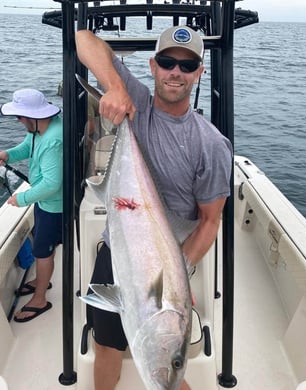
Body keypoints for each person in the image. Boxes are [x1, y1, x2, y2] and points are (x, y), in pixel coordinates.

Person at [75, 25, 233, 389]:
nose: (176, 72)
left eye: (187, 65)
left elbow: (210, 221)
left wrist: (180, 272)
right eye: (167, 62)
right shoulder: (137, 100)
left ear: (199, 73)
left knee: (170, 364)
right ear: (153, 65)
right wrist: (114, 89)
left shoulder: (210, 144)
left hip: (166, 265)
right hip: (117, 251)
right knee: (107, 346)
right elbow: (83, 39)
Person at [0, 88, 63, 323]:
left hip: (54, 205)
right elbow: (25, 148)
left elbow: (52, 184)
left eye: (20, 116)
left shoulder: (53, 139)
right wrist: (7, 155)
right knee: (40, 245)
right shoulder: (39, 128)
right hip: (44, 202)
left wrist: (21, 199)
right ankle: (41, 280)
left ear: (33, 115)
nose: (18, 121)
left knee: (43, 252)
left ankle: (40, 299)